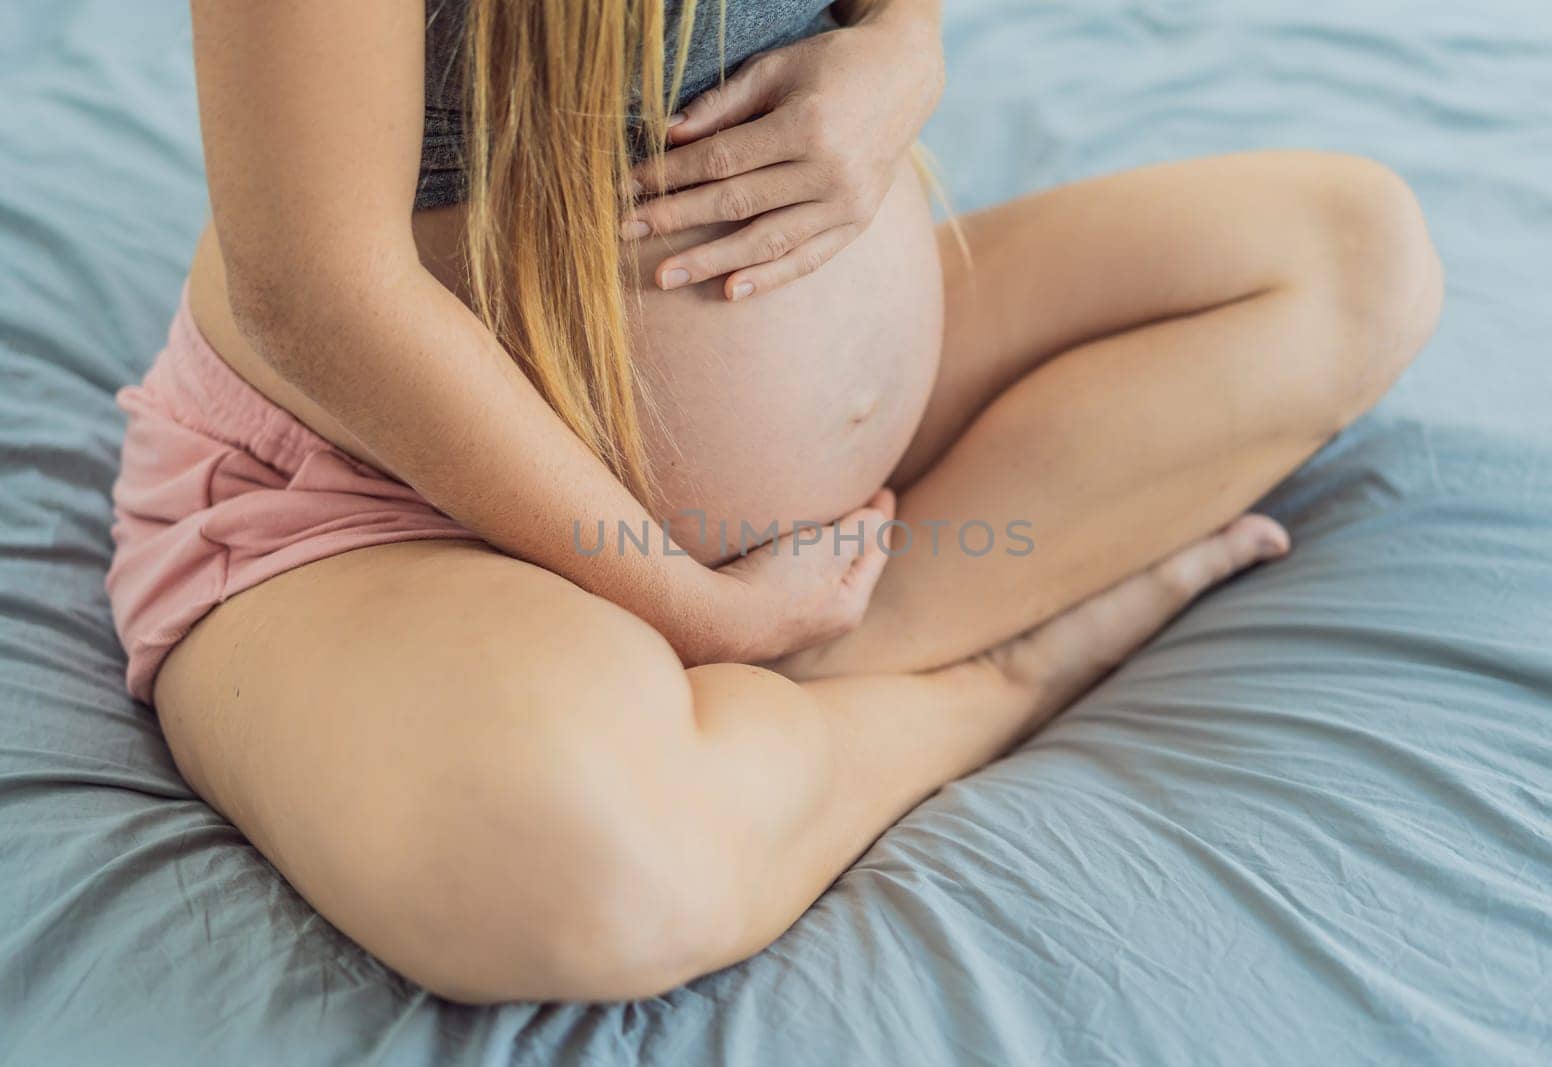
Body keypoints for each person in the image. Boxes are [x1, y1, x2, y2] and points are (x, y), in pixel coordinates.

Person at [105, 0, 1443, 1003]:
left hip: (811, 519)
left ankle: (827, 658)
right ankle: (984, 683)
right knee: (583, 871)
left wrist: (899, 58)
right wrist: (687, 605)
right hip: (388, 495)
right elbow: (315, 300)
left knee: (1349, 257)